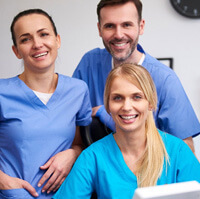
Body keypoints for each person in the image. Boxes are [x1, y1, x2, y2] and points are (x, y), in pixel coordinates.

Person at [53, 63, 200, 199]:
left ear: (150, 103)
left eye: (137, 97)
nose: (127, 106)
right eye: (118, 98)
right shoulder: (93, 157)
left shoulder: (178, 152)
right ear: (108, 106)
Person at [72, 0, 200, 152]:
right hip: (98, 170)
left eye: (127, 25)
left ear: (141, 26)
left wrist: (103, 114)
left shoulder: (165, 79)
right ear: (99, 29)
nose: (118, 35)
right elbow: (69, 120)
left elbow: (186, 152)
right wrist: (73, 152)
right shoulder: (90, 64)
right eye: (110, 26)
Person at [0, 9, 92, 199]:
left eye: (44, 34)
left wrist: (73, 154)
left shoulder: (78, 90)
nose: (37, 44)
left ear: (57, 40)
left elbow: (80, 143)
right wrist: (2, 181)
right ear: (16, 51)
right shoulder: (2, 92)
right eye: (26, 39)